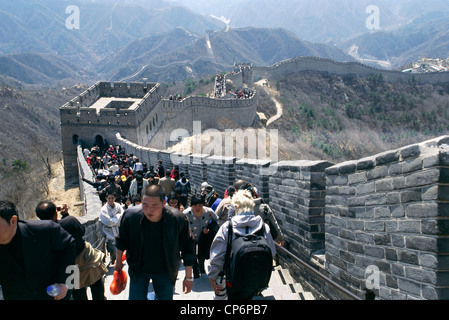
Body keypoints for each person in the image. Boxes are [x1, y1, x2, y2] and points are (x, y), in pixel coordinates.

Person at [114, 185, 195, 300]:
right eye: (145, 205)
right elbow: (121, 240)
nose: (149, 210)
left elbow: (188, 248)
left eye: (154, 205)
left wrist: (188, 277)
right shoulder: (131, 217)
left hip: (165, 270)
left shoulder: (177, 219)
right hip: (138, 268)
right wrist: (118, 263)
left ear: (163, 203)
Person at [0, 200, 76, 300]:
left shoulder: (44, 230)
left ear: (13, 221)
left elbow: (69, 246)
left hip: (51, 294)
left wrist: (63, 281)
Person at [207, 189, 276, 300]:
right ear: (252, 207)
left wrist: (212, 277)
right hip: (256, 281)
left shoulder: (227, 228)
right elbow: (271, 253)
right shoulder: (263, 227)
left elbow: (217, 256)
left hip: (234, 280)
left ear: (236, 208)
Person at [35, 201, 107, 300]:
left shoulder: (40, 235)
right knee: (97, 290)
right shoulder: (69, 221)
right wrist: (65, 215)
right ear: (56, 213)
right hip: (87, 260)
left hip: (69, 268)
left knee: (78, 295)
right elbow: (82, 231)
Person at [183, 195, 219, 278]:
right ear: (191, 205)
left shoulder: (209, 212)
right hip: (191, 236)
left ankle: (202, 268)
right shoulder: (186, 213)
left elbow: (216, 220)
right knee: (192, 253)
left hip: (203, 235)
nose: (197, 208)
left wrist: (210, 228)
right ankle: (195, 271)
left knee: (201, 253)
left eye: (200, 205)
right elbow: (181, 224)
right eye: (195, 205)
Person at [100, 192, 124, 266]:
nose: (110, 200)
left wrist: (114, 219)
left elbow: (123, 215)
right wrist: (117, 217)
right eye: (109, 198)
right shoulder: (104, 209)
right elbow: (108, 222)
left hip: (118, 231)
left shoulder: (118, 206)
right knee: (112, 249)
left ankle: (119, 261)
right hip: (109, 232)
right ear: (106, 199)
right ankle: (114, 261)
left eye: (112, 198)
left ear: (115, 198)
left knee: (120, 248)